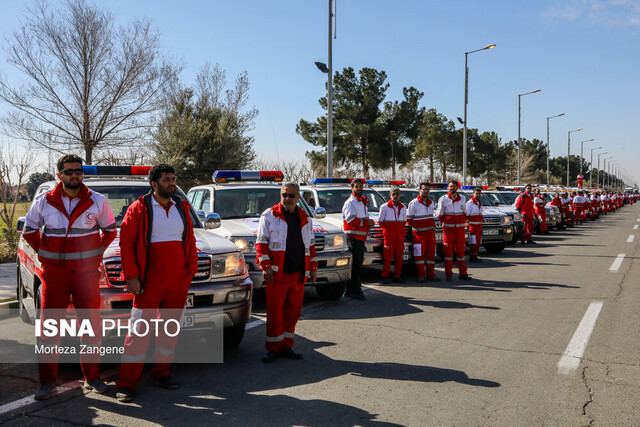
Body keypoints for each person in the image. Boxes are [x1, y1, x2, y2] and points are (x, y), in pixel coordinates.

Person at [22, 154, 116, 400]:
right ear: (59, 175)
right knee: (50, 328)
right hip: (55, 274)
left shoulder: (97, 200)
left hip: (85, 274)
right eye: (69, 171)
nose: (75, 175)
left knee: (91, 327)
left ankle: (92, 377)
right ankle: (47, 382)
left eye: (78, 171)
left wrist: (94, 258)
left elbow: (109, 231)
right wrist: (47, 255)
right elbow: (30, 230)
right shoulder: (44, 201)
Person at [116, 164, 198, 403]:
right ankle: (126, 383)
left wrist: (190, 271)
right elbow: (127, 245)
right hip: (148, 283)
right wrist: (131, 276)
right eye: (167, 180)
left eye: (173, 179)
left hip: (178, 281)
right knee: (138, 332)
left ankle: (161, 372)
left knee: (170, 330)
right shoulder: (139, 208)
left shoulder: (181, 206)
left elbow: (190, 240)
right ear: (154, 184)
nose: (172, 183)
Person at [256, 182, 318, 363]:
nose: (287, 199)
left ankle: (287, 345)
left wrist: (313, 269)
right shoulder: (269, 215)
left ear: (298, 198)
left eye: (291, 196)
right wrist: (265, 267)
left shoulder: (305, 217)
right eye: (284, 195)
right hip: (277, 274)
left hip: (298, 273)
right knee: (275, 312)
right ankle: (274, 347)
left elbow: (311, 246)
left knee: (293, 312)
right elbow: (261, 243)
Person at [342, 178, 375, 300]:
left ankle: (353, 289)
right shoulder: (351, 202)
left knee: (358, 265)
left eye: (360, 186)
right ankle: (354, 290)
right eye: (356, 186)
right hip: (353, 238)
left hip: (360, 238)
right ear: (352, 188)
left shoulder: (361, 202)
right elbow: (351, 220)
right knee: (355, 265)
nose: (359, 188)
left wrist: (367, 225)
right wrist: (367, 223)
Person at [435, 180, 470, 280]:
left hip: (459, 230)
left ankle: (463, 273)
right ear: (448, 188)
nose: (452, 188)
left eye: (454, 186)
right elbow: (439, 215)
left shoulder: (463, 198)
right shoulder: (443, 199)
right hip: (448, 231)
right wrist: (447, 224)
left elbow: (464, 213)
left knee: (460, 252)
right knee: (448, 253)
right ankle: (448, 274)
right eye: (450, 186)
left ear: (457, 188)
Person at [407, 182, 438, 282]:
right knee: (419, 255)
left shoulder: (431, 202)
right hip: (419, 234)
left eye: (427, 189)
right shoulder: (414, 203)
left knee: (431, 254)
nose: (426, 191)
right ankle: (421, 275)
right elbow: (409, 219)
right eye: (424, 189)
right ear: (420, 190)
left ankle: (431, 274)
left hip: (430, 233)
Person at [378, 188, 406, 284]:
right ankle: (385, 276)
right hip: (389, 238)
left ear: (399, 195)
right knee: (387, 258)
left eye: (397, 194)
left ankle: (397, 276)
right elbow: (381, 222)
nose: (395, 196)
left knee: (399, 258)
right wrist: (389, 231)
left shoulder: (403, 207)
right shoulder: (384, 207)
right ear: (390, 195)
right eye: (393, 194)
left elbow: (404, 222)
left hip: (400, 237)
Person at [465, 187, 483, 262]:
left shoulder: (480, 203)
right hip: (472, 226)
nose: (478, 195)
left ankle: (475, 255)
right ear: (473, 194)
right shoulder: (470, 203)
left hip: (479, 225)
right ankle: (472, 256)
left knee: (478, 241)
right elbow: (467, 215)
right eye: (476, 193)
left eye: (479, 194)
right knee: (473, 242)